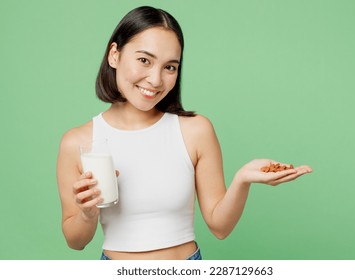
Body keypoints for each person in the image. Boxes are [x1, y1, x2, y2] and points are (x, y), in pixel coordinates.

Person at [56, 6, 312, 260]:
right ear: (114, 55)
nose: (156, 80)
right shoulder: (78, 142)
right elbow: (75, 241)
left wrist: (242, 180)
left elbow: (220, 227)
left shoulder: (195, 130)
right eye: (144, 60)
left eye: (170, 67)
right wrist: (88, 213)